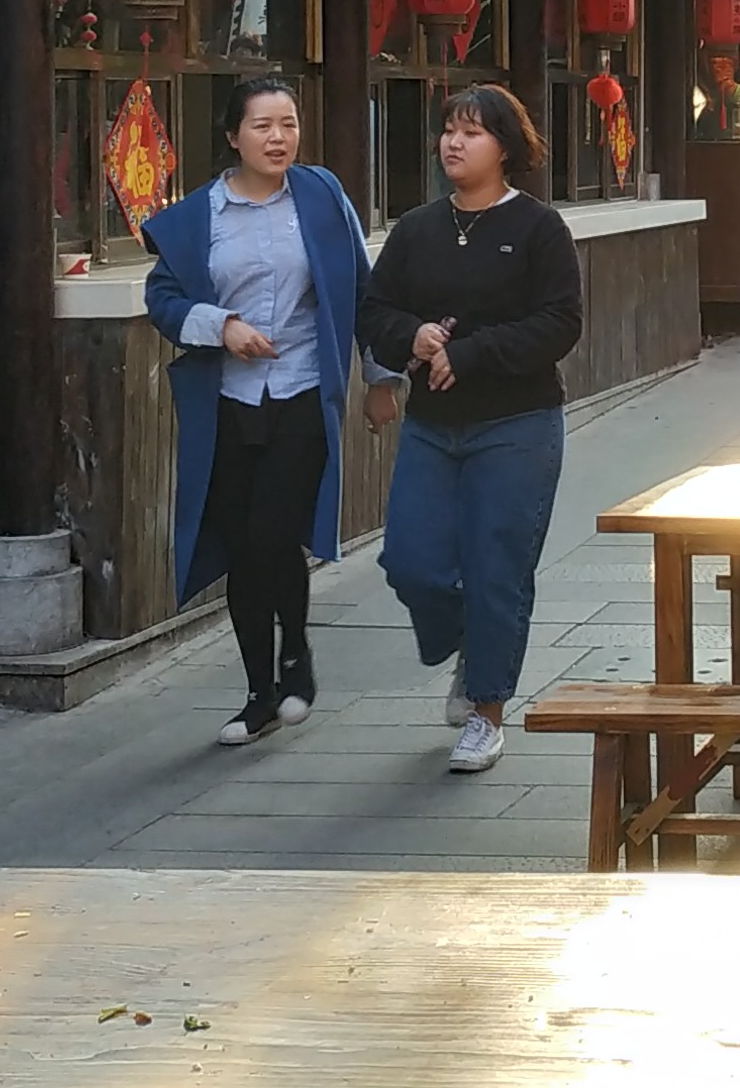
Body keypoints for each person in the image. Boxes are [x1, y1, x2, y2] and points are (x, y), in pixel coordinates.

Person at [363, 86, 585, 776]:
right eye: (449, 131)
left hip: (518, 424)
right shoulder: (417, 229)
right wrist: (412, 336)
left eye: (472, 133)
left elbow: (560, 323)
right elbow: (374, 309)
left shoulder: (539, 227)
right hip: (433, 427)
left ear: (506, 147)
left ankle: (485, 711)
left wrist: (471, 353)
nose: (454, 144)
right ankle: (471, 638)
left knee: (497, 569)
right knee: (411, 561)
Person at [142, 75, 369, 750]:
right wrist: (222, 326)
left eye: (288, 124)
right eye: (263, 126)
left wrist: (383, 376)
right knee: (242, 546)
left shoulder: (321, 196)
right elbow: (163, 300)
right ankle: (258, 694)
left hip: (302, 389)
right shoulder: (197, 217)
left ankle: (295, 652)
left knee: (273, 532)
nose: (278, 138)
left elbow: (360, 284)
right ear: (232, 136)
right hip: (228, 402)